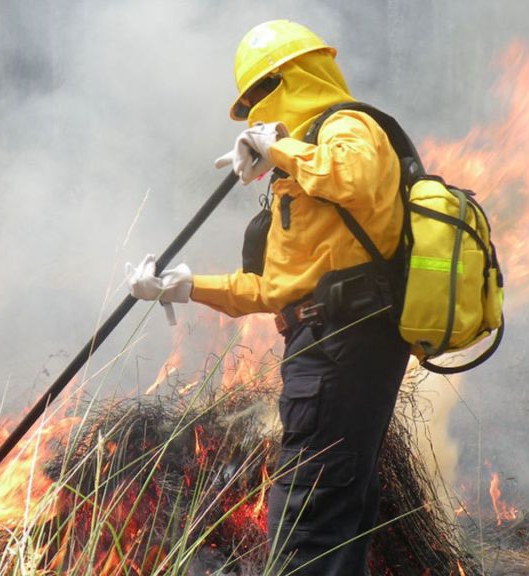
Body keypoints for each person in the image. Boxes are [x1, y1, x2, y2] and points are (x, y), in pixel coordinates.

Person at [128, 19, 410, 574]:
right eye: (249, 104)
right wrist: (183, 287)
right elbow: (275, 290)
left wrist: (280, 149)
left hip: (345, 343)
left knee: (305, 522)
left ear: (296, 75)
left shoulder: (347, 127)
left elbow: (351, 178)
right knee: (333, 517)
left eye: (261, 93)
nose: (255, 112)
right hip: (323, 343)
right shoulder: (300, 167)